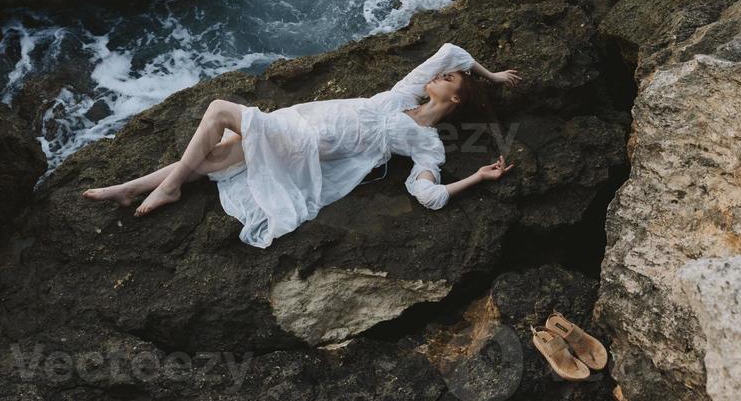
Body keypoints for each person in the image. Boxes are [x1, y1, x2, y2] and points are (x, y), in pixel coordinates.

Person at [83, 43, 521, 248]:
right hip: (297, 120)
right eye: (443, 74)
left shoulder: (427, 144)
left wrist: (477, 177)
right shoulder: (405, 94)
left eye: (449, 80)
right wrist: (491, 74)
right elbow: (451, 49)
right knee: (215, 156)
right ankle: (132, 187)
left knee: (218, 110)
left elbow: (428, 194)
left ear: (456, 99)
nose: (441, 75)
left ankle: (170, 186)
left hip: (308, 143)